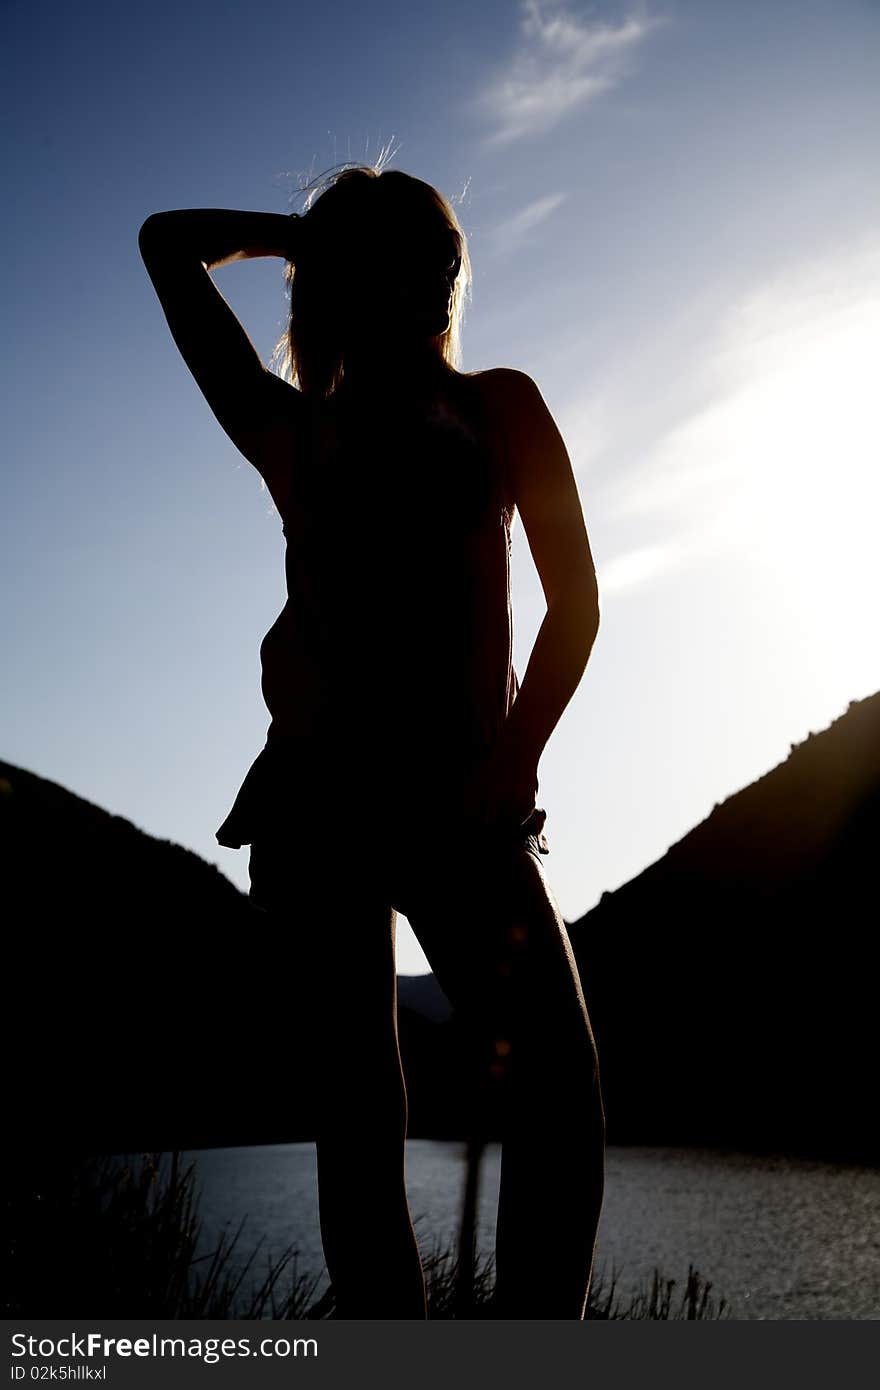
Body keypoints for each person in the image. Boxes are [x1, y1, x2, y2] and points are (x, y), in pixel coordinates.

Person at [138, 164, 605, 1319]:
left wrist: (516, 754)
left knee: (558, 1098)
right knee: (358, 1124)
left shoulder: (499, 404)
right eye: (383, 257)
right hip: (319, 796)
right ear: (344, 282)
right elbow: (166, 243)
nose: (420, 277)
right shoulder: (297, 428)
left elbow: (576, 602)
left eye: (431, 254)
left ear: (447, 277)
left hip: (464, 792)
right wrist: (302, 236)